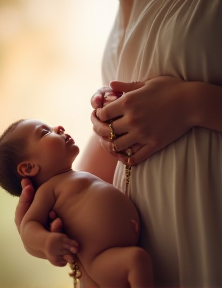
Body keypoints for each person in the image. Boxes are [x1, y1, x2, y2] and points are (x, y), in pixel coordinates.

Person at [15, 1, 222, 287]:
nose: (58, 129)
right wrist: (42, 232)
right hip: (146, 266)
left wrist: (191, 104)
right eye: (44, 132)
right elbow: (105, 162)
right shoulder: (118, 15)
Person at [0, 118, 153, 288]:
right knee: (136, 260)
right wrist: (46, 242)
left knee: (139, 261)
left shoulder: (74, 176)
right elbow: (28, 226)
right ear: (29, 167)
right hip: (101, 260)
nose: (59, 127)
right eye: (45, 132)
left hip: (125, 248)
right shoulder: (49, 191)